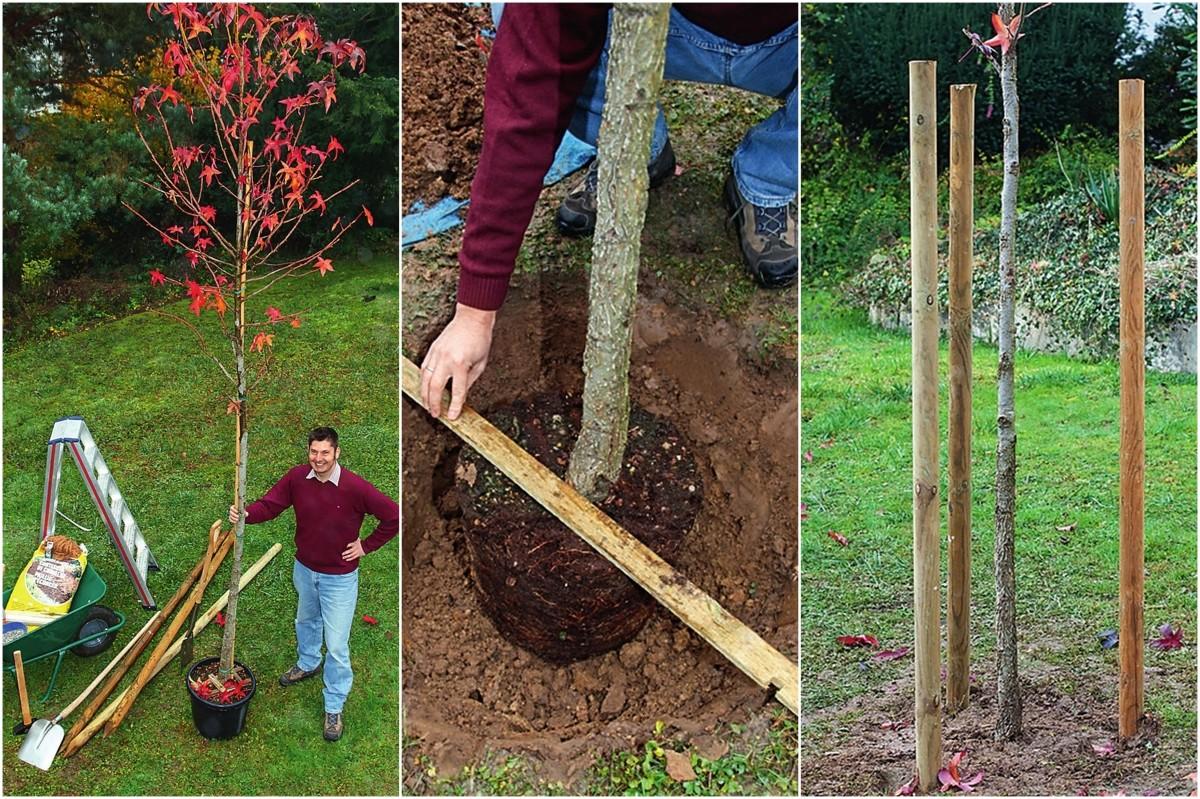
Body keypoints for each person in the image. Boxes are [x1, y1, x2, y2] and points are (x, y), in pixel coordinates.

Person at [420, 3, 798, 421]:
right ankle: (632, 152)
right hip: (667, 24)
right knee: (507, 9)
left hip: (794, 35)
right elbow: (529, 89)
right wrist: (475, 312)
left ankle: (767, 182)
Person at [228, 426, 398, 742]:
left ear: (337, 453)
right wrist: (245, 514)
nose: (318, 459)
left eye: (325, 453)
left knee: (336, 644)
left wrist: (365, 546)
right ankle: (307, 663)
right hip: (305, 569)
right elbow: (271, 505)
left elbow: (393, 516)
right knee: (306, 620)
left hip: (339, 579)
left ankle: (333, 705)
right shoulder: (297, 478)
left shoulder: (355, 488)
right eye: (313, 452)